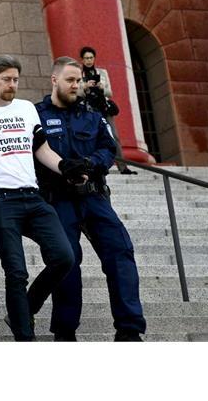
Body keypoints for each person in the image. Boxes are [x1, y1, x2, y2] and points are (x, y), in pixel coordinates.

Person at [0, 54, 78, 341]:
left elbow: (42, 149)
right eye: (7, 79)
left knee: (64, 257)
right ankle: (24, 338)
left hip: (33, 198)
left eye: (16, 79)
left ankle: (23, 309)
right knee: (16, 272)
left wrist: (65, 167)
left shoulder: (26, 109)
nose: (13, 84)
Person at [35, 57, 146, 341]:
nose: (77, 85)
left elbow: (108, 149)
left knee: (120, 254)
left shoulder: (92, 115)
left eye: (79, 80)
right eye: (71, 80)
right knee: (67, 262)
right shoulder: (35, 115)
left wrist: (88, 164)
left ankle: (129, 329)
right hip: (57, 199)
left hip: (94, 196)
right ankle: (65, 330)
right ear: (54, 80)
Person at [79, 45, 134, 174]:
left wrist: (102, 88)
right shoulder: (79, 74)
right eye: (86, 58)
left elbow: (110, 92)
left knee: (114, 136)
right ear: (82, 60)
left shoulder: (102, 72)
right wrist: (86, 87)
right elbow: (76, 93)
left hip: (103, 107)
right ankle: (94, 164)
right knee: (90, 137)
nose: (89, 60)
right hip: (88, 109)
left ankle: (123, 166)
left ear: (94, 58)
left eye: (91, 57)